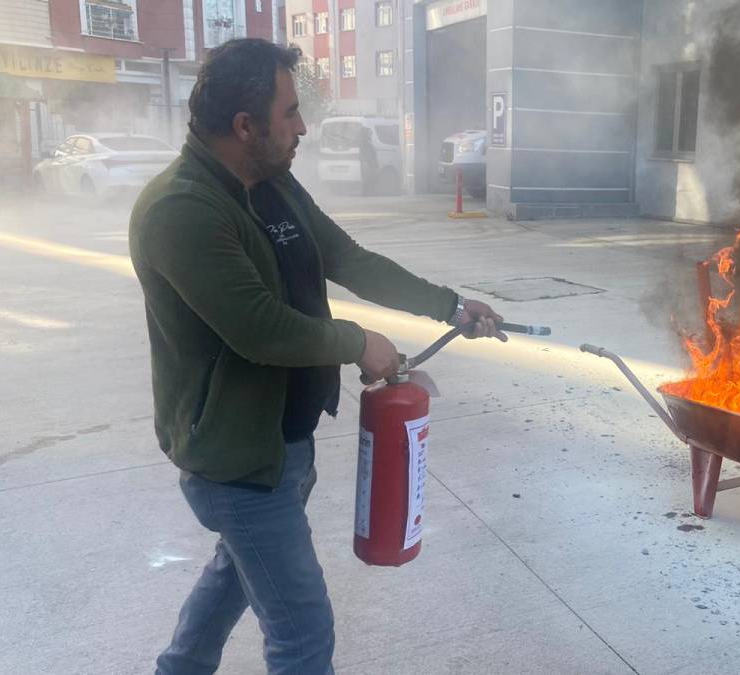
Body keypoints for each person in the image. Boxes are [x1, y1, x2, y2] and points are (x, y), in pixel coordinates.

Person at [129, 38, 505, 674]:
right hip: (236, 457)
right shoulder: (181, 209)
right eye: (290, 112)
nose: (304, 126)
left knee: (234, 577)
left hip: (283, 446)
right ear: (245, 126)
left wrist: (449, 305)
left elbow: (347, 258)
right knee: (302, 630)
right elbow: (262, 330)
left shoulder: (272, 184)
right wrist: (360, 342)